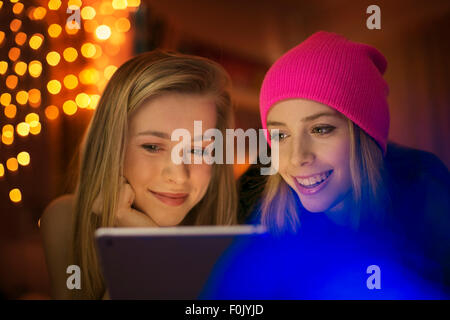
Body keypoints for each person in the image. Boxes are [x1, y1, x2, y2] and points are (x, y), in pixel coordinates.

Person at [204, 31, 450, 299]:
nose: (298, 157)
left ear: (365, 134)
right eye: (280, 135)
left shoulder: (427, 189)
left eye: (321, 129)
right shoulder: (264, 212)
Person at [40, 50, 238, 299]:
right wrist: (142, 250)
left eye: (198, 150)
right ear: (112, 146)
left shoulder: (243, 245)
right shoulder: (66, 220)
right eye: (152, 147)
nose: (178, 175)